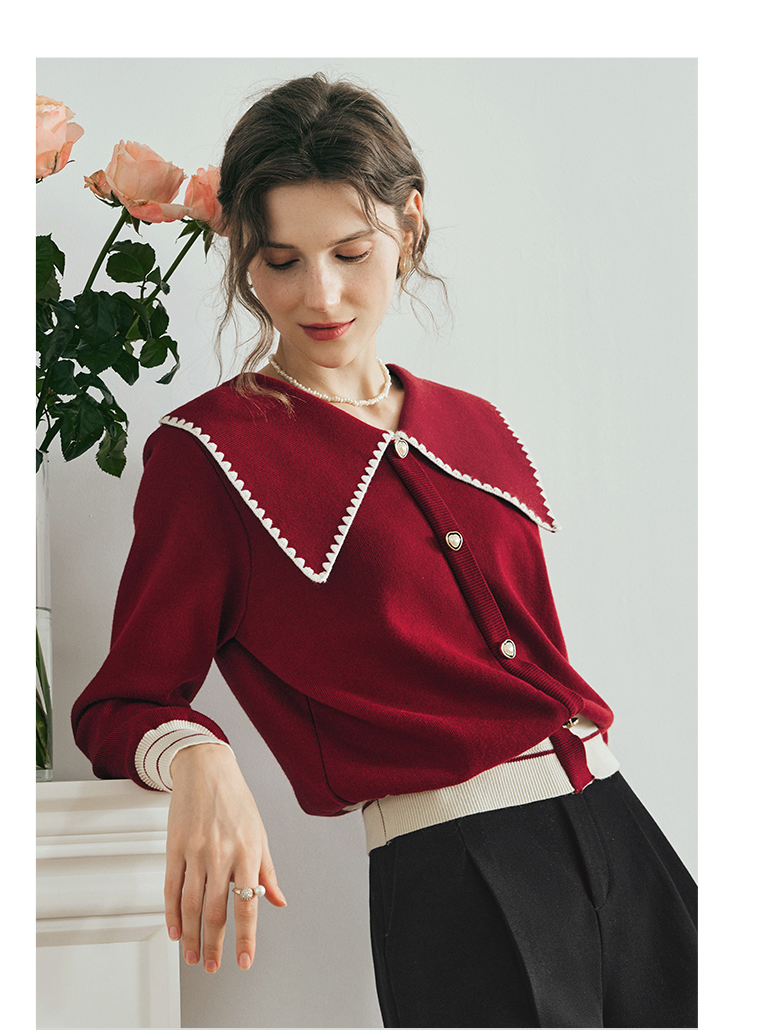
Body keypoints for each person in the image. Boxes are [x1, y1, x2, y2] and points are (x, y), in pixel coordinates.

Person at [72, 72, 697, 1028]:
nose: (319, 294)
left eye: (351, 252)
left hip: (622, 833)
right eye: (280, 260)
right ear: (242, 255)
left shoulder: (474, 424)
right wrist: (199, 756)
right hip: (462, 878)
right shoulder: (210, 457)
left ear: (410, 225)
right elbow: (122, 701)